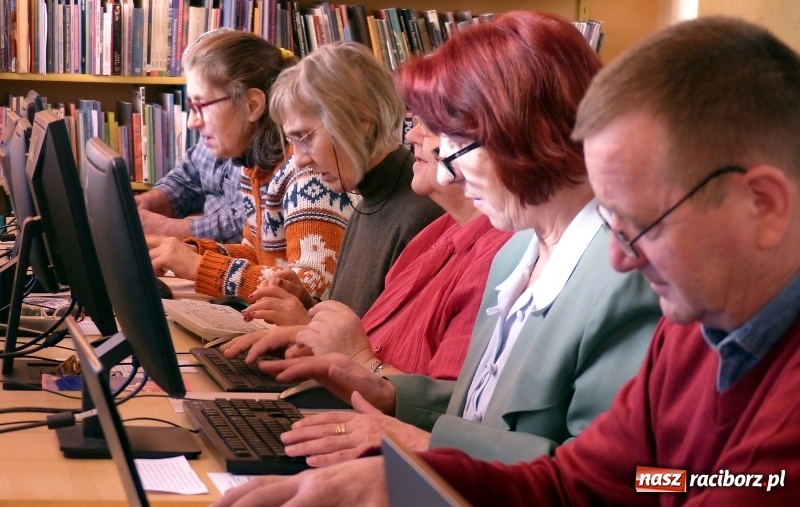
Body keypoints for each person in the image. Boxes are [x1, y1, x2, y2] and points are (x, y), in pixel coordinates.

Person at [213, 16, 800, 506]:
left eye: (642, 224)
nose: (619, 259)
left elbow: (671, 487)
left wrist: (419, 459)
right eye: (614, 224)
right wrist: (400, 480)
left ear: (764, 206)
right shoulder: (700, 330)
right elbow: (600, 482)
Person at [247, 10, 660, 468]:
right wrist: (390, 394)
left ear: (524, 133)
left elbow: (631, 479)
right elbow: (485, 418)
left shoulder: (626, 280)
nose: (444, 171)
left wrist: (422, 445)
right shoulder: (513, 256)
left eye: (455, 146)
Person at [220, 116, 512, 380]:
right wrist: (312, 333)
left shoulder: (494, 257)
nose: (412, 135)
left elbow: (444, 412)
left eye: (432, 123)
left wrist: (348, 354)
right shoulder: (439, 230)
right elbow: (370, 340)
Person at [146, 29, 353, 299]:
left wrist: (198, 266)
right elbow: (259, 256)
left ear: (252, 105)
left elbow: (310, 289)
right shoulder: (255, 168)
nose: (192, 122)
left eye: (201, 106)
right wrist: (193, 251)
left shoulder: (307, 173)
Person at [261, 41, 444, 318]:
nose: (298, 159)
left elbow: (380, 354)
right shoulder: (368, 196)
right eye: (292, 141)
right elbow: (359, 327)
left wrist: (302, 327)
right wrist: (305, 306)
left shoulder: (419, 214)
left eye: (305, 138)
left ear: (360, 119)